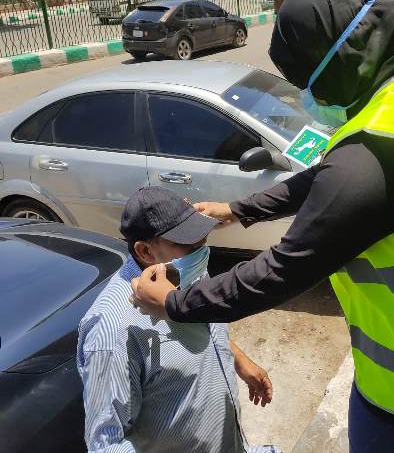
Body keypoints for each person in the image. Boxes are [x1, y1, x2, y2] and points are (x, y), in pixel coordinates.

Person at [130, 0, 394, 452]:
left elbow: (283, 269)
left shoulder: (373, 155)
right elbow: (328, 178)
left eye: (306, 82)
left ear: (332, 66)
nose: (308, 96)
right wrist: (238, 210)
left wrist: (174, 303)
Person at [78, 186, 280, 453]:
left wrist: (238, 359)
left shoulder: (186, 273)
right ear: (145, 251)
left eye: (201, 240)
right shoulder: (113, 331)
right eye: (189, 245)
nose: (202, 252)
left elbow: (205, 328)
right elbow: (107, 444)